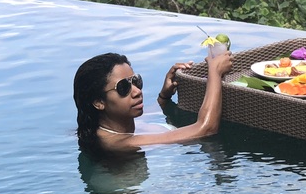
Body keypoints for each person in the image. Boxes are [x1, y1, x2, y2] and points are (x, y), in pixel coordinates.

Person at [73, 51, 233, 155]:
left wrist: (164, 96)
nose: (137, 91)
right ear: (99, 102)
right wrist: (215, 72)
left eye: (135, 81)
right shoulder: (119, 144)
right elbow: (206, 128)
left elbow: (147, 114)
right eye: (123, 87)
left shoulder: (117, 124)